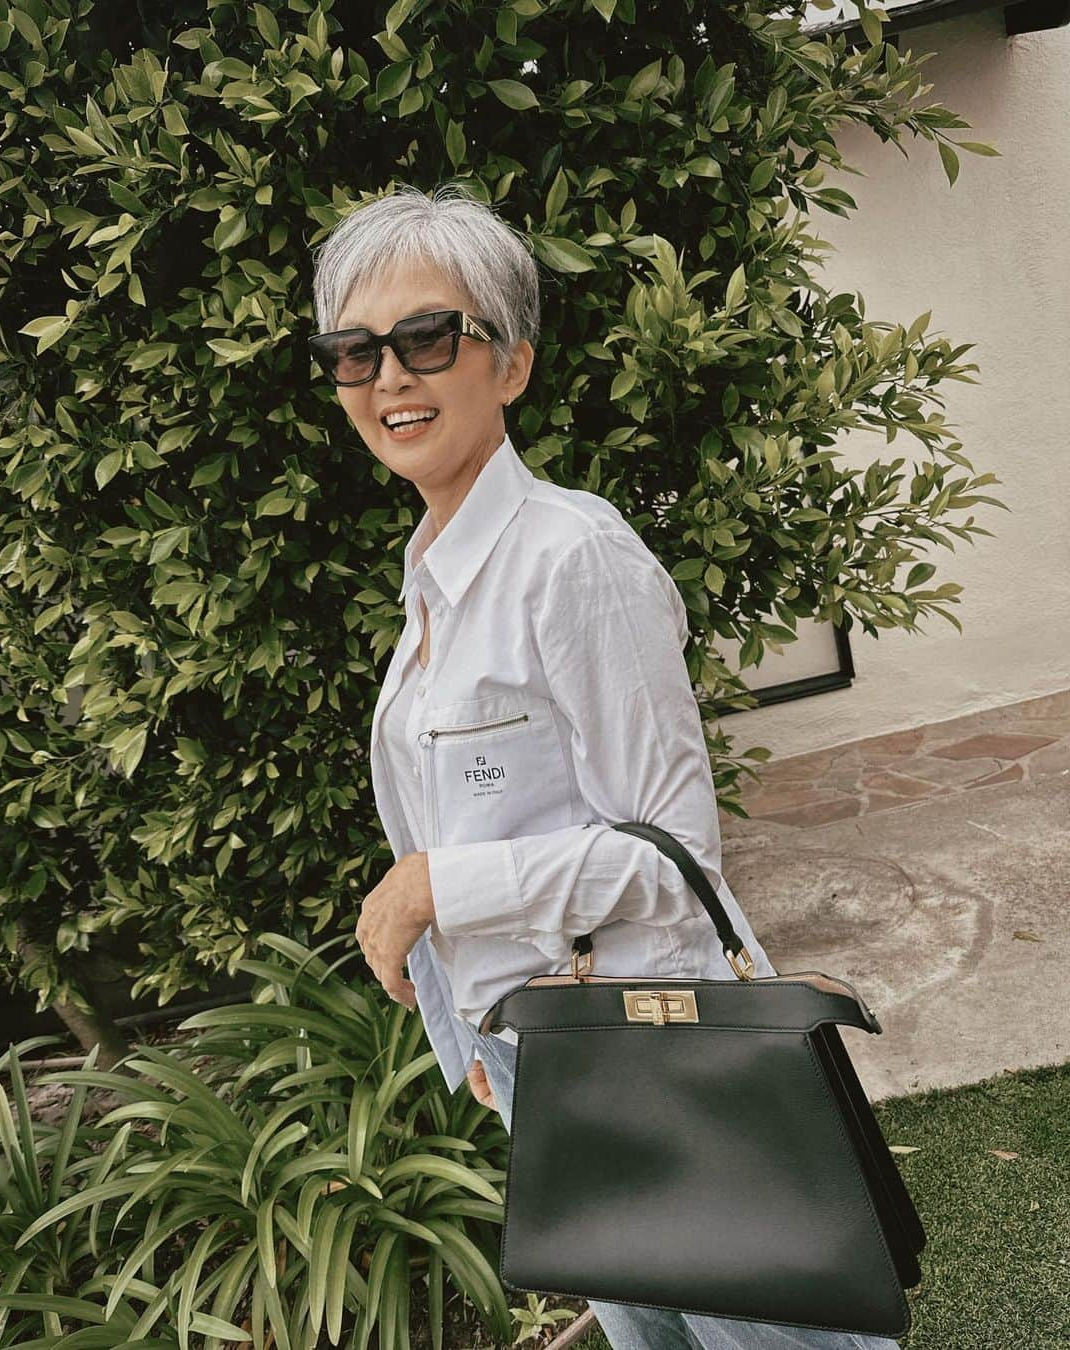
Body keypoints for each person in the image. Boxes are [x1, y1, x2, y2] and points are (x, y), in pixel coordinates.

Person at [307, 181, 901, 1350]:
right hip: (556, 1058)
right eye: (354, 352)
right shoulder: (433, 579)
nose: (389, 377)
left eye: (429, 338)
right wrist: (473, 1037)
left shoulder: (570, 559)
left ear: (511, 365)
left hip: (672, 1058)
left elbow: (674, 861)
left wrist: (437, 891)